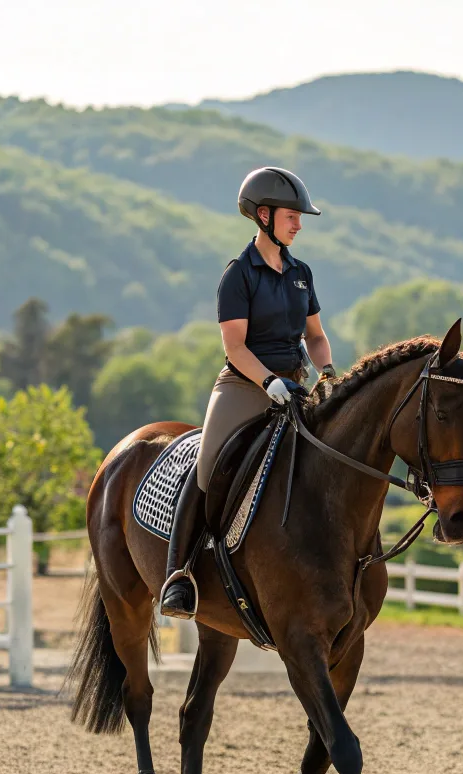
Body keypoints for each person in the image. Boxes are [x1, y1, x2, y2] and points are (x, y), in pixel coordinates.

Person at [158, 166, 337, 618]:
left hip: (294, 384)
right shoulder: (238, 274)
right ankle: (179, 575)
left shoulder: (301, 273)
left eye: (300, 217)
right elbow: (234, 346)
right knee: (207, 466)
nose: (299, 223)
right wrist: (268, 382)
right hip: (244, 383)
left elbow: (314, 336)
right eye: (292, 215)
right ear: (263, 216)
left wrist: (328, 371)